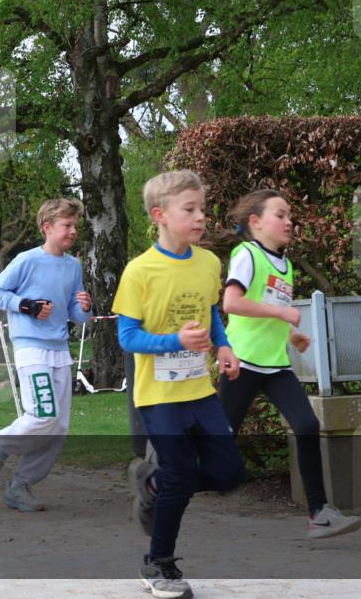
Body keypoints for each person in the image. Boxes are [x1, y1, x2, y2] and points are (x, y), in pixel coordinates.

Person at [112, 170, 246, 599]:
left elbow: (211, 316)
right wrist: (176, 341)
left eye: (202, 208)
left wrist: (223, 346)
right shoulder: (139, 271)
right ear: (160, 215)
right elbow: (127, 338)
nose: (201, 216)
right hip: (159, 397)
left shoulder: (208, 263)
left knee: (229, 473)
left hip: (200, 392)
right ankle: (158, 564)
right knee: (182, 474)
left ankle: (153, 484)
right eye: (189, 209)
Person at [220, 189, 361, 539]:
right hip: (243, 361)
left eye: (290, 216)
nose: (289, 222)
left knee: (307, 425)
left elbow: (266, 311)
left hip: (276, 365)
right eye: (280, 215)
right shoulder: (247, 254)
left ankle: (319, 513)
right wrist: (282, 313)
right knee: (219, 443)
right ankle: (159, 479)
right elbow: (232, 303)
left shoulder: (284, 265)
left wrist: (290, 335)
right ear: (256, 222)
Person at [0, 199, 92, 510]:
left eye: (75, 226)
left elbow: (75, 312)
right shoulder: (26, 260)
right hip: (31, 348)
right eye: (66, 225)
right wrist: (26, 305)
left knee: (58, 426)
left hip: (60, 351)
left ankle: (21, 486)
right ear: (47, 228)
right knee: (43, 415)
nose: (73, 231)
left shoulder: (74, 265)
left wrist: (85, 307)